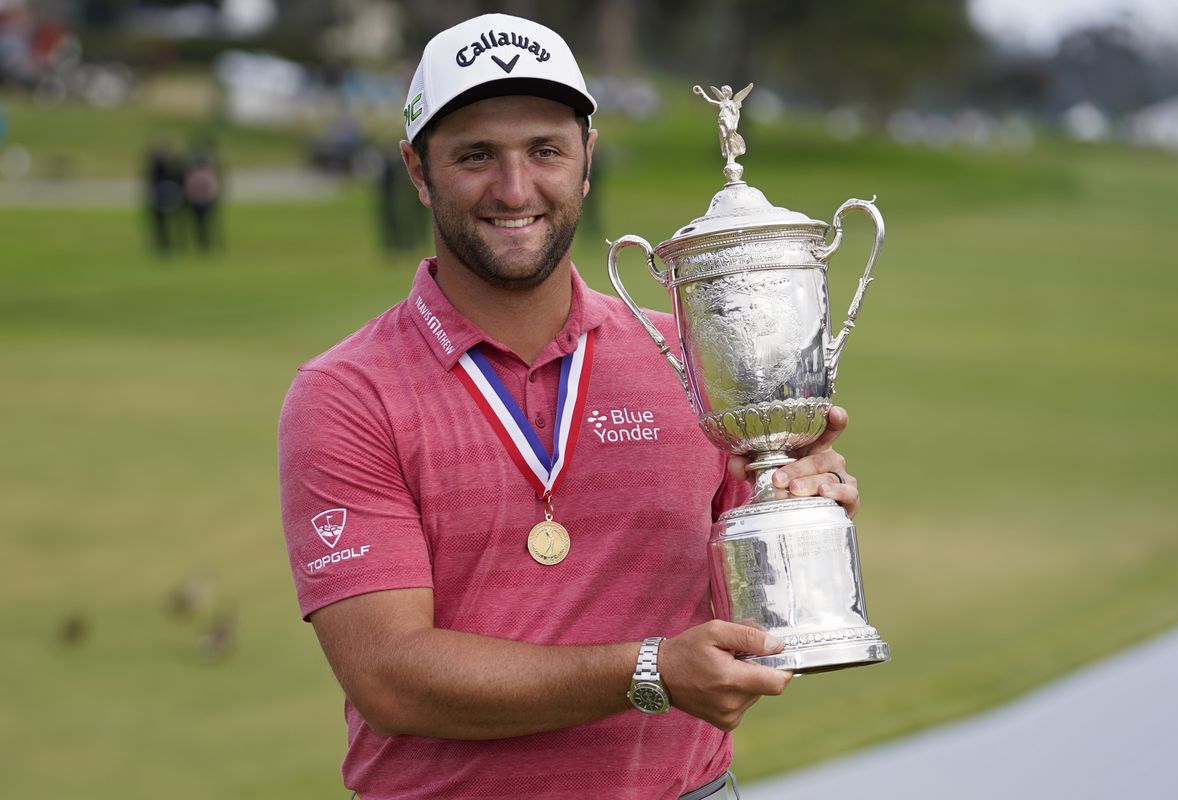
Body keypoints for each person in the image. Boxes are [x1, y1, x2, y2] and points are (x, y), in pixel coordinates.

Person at [278, 13, 860, 800]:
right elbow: (391, 679)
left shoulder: (693, 359)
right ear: (418, 170)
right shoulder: (347, 393)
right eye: (476, 155)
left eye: (545, 151)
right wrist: (649, 671)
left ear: (587, 162)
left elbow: (744, 618)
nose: (515, 189)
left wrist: (794, 514)